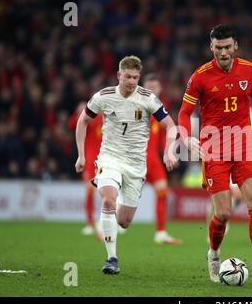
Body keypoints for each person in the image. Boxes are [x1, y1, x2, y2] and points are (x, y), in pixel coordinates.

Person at [178, 24, 252, 284]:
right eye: (218, 47)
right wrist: (186, 136)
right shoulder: (200, 77)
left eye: (227, 47)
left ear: (236, 46)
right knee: (223, 213)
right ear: (211, 47)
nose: (223, 52)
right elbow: (183, 113)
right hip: (213, 149)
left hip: (245, 145)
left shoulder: (251, 71)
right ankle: (213, 253)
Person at [75, 55, 178, 274]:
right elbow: (82, 121)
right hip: (109, 157)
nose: (132, 81)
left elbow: (171, 125)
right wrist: (81, 155)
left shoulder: (148, 98)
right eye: (128, 76)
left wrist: (169, 151)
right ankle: (111, 258)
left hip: (136, 164)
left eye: (135, 77)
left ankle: (114, 218)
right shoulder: (103, 96)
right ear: (119, 75)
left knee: (124, 221)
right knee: (108, 201)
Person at [143, 74, 182, 245]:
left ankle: (160, 232)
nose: (152, 90)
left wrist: (169, 153)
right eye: (148, 87)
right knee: (121, 195)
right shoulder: (135, 107)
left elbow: (163, 138)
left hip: (152, 160)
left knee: (162, 192)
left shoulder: (160, 111)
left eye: (154, 87)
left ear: (160, 89)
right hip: (133, 159)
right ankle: (111, 224)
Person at [68, 101, 103, 242]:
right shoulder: (88, 117)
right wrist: (80, 112)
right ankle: (89, 223)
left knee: (109, 191)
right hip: (89, 161)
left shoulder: (103, 116)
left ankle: (110, 222)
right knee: (90, 191)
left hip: (104, 159)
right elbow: (72, 124)